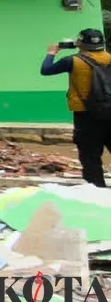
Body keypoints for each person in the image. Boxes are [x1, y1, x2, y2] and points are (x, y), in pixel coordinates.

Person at [41, 29, 111, 187]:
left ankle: (96, 190)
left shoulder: (72, 61)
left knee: (90, 155)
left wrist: (51, 53)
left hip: (85, 114)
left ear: (80, 43)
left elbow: (45, 70)